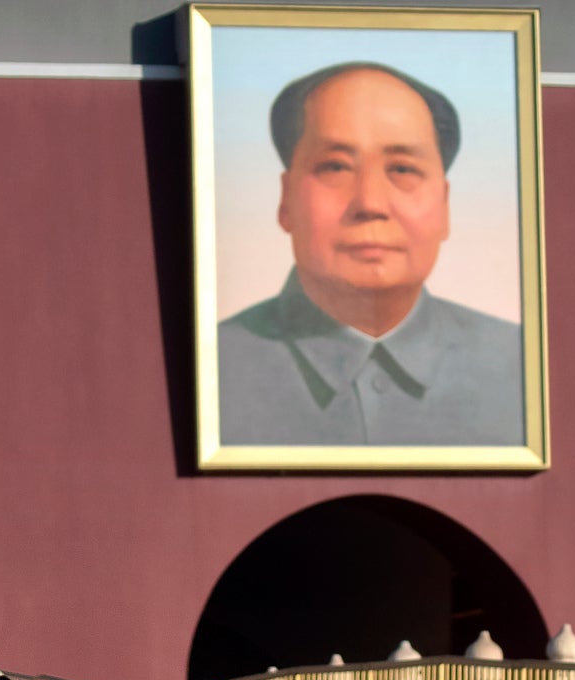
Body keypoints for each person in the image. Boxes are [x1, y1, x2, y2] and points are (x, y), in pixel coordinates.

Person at [218, 61, 525, 447]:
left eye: (403, 169)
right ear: (285, 200)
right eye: (335, 167)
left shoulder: (523, 365)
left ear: (445, 206)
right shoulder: (212, 365)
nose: (370, 203)